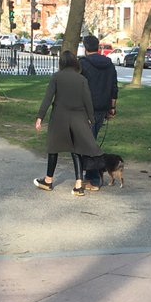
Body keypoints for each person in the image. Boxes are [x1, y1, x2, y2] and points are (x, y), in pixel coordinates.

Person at [33, 49, 104, 196]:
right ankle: (78, 184)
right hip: (79, 117)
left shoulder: (57, 77)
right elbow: (88, 100)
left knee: (53, 148)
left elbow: (48, 98)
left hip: (59, 117)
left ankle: (48, 180)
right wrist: (91, 118)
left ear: (62, 62)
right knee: (76, 149)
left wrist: (40, 117)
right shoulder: (82, 79)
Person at [78, 34, 119, 190]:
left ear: (85, 47)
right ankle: (89, 175)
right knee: (91, 140)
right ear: (98, 47)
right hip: (102, 107)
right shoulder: (109, 64)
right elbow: (114, 87)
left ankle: (92, 177)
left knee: (88, 142)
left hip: (86, 108)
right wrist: (112, 107)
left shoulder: (83, 64)